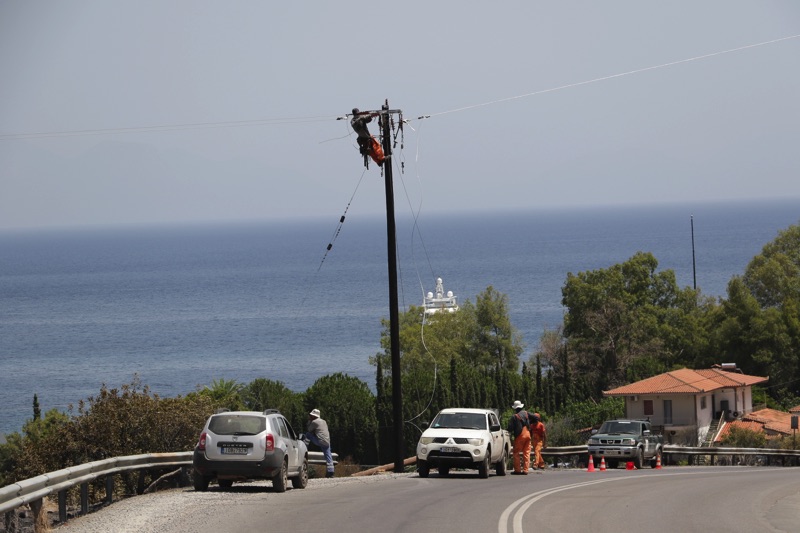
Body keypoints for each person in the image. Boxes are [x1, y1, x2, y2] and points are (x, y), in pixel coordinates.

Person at [305, 408, 335, 478]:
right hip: (327, 441)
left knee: (308, 434)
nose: (310, 416)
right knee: (328, 455)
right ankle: (331, 472)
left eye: (311, 415)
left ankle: (305, 448)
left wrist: (309, 422)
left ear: (314, 416)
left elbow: (309, 429)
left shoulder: (314, 422)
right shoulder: (324, 421)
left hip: (320, 441)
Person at [507, 400, 532, 475]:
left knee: (516, 452)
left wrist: (508, 431)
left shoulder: (515, 416)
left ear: (515, 408)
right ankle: (526, 470)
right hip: (528, 435)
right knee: (527, 452)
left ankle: (517, 470)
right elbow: (535, 417)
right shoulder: (526, 414)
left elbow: (510, 428)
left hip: (520, 436)